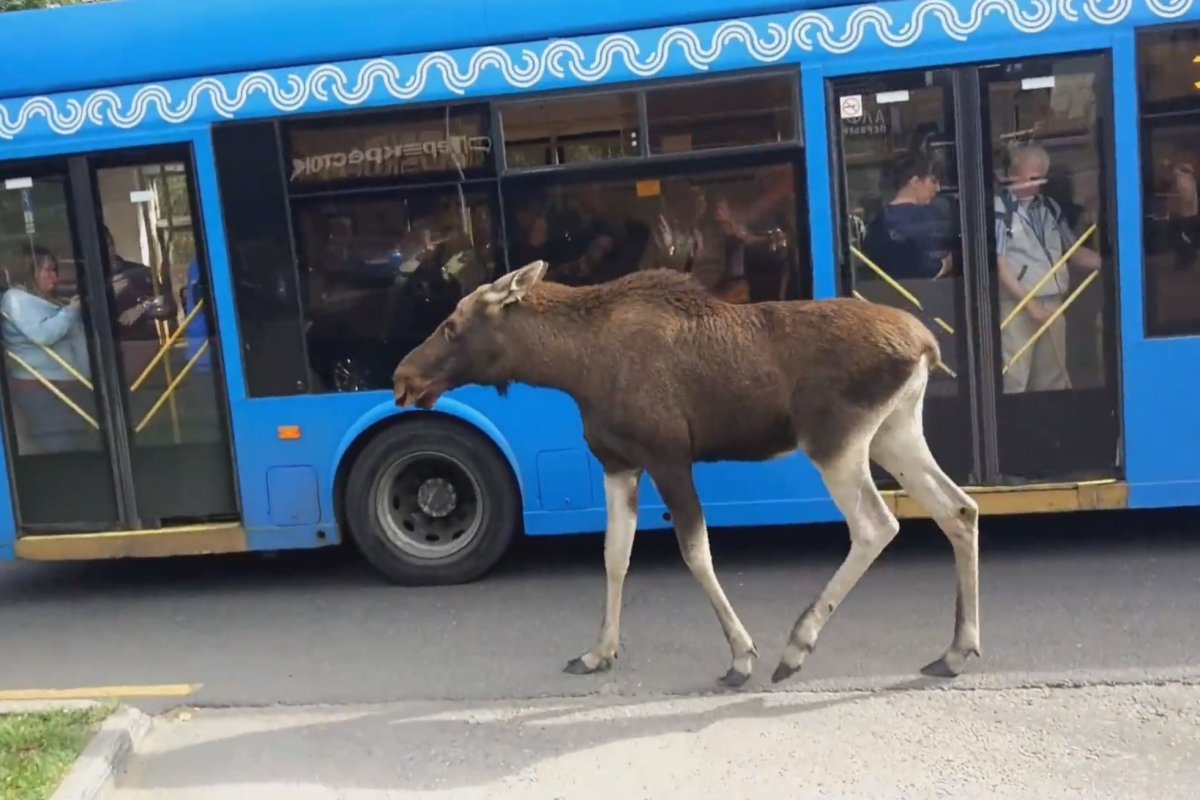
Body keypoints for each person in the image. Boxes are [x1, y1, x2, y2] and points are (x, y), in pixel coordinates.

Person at [994, 143, 1102, 393]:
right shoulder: (1000, 210)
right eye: (1031, 178)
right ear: (1013, 174)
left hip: (1053, 303)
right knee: (1015, 378)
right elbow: (998, 265)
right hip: (1017, 306)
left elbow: (1072, 252)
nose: (1036, 185)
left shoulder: (1050, 208)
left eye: (1041, 179)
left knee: (1052, 380)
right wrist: (1029, 305)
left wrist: (1113, 263)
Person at [0, 244, 94, 454]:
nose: (55, 277)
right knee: (60, 447)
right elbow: (42, 334)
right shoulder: (16, 300)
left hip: (63, 386)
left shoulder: (42, 300)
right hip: (42, 387)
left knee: (77, 443)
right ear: (29, 272)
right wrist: (71, 311)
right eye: (48, 270)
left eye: (55, 270)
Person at [862, 154, 953, 281]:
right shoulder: (931, 217)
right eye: (933, 181)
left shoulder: (876, 224)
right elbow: (925, 268)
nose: (937, 188)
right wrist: (947, 264)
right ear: (914, 181)